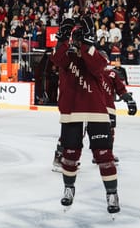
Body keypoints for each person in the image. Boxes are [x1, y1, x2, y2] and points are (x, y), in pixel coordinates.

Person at [50, 15, 120, 215]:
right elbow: (56, 59)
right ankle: (69, 188)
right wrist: (62, 38)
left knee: (104, 155)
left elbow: (97, 66)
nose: (77, 39)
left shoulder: (96, 55)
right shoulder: (66, 55)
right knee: (70, 154)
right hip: (71, 112)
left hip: (96, 111)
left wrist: (87, 43)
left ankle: (112, 193)